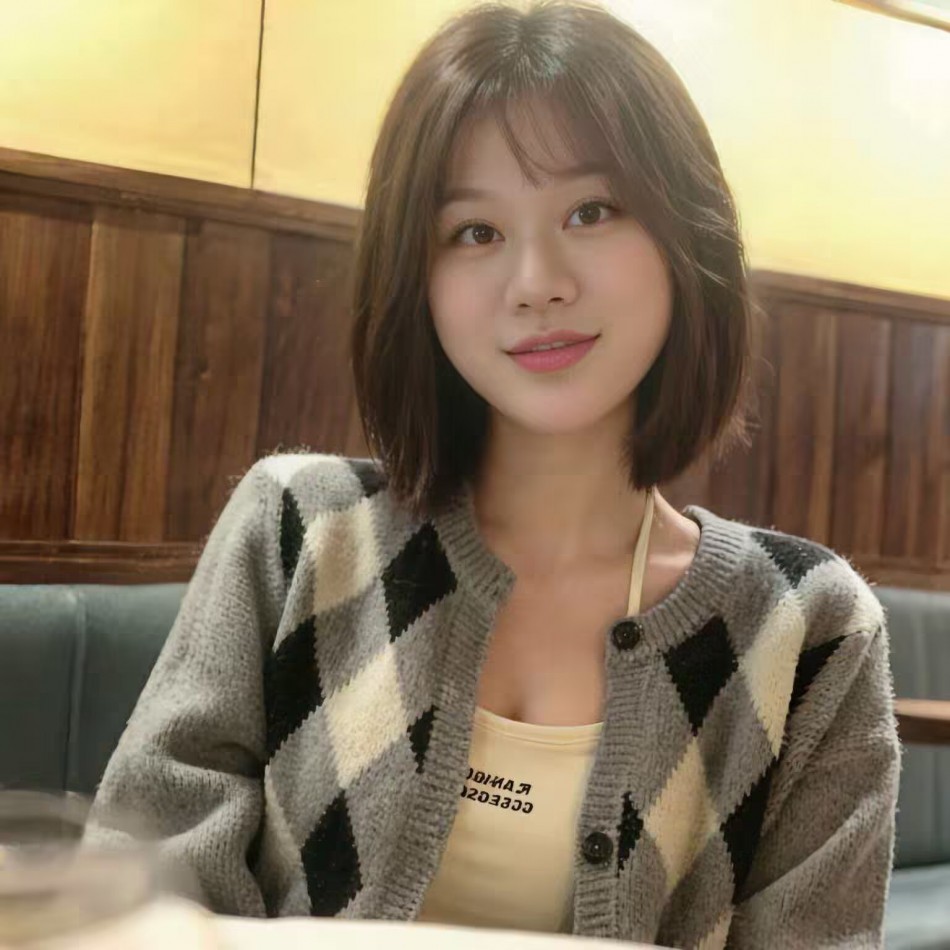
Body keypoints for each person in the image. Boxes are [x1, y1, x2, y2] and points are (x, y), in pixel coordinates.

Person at [85, 1, 901, 947]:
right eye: (474, 231)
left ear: (689, 241)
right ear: (415, 277)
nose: (536, 281)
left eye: (591, 211)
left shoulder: (807, 631)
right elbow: (135, 897)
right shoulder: (301, 532)